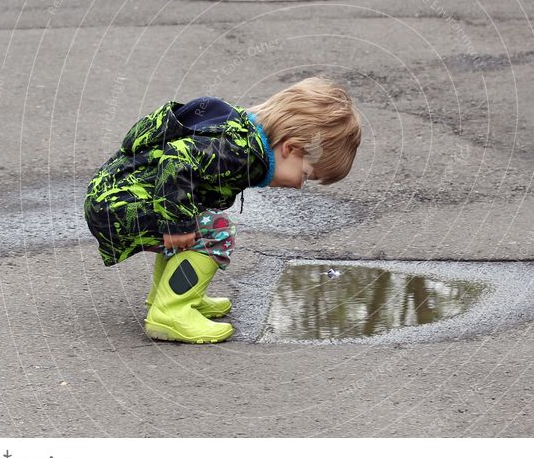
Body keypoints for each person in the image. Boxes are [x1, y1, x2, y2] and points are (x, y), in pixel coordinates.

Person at [84, 77, 362, 344]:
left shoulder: (244, 138)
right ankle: (170, 311)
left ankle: (173, 296)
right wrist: (177, 223)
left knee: (195, 222)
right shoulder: (239, 152)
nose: (300, 186)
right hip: (120, 206)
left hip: (115, 198)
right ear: (290, 148)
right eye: (306, 175)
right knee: (215, 232)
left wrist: (180, 222)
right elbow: (176, 160)